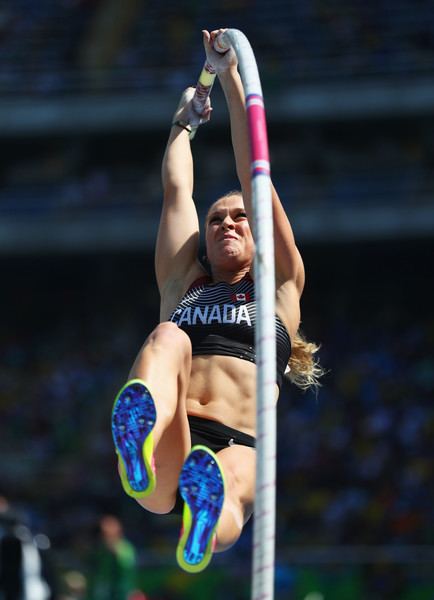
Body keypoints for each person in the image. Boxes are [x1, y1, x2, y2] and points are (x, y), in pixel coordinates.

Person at [111, 28, 322, 574]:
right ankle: (138, 439)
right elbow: (177, 190)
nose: (226, 222)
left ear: (256, 234)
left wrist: (229, 78)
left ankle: (204, 526)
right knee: (167, 335)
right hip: (174, 439)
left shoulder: (279, 288)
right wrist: (183, 126)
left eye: (238, 217)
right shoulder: (184, 282)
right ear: (204, 237)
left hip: (240, 442)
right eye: (216, 220)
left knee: (226, 483)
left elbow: (256, 171)